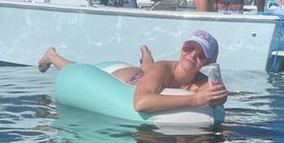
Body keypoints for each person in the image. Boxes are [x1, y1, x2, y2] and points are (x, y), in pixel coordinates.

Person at [38, 30, 228, 113]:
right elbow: (141, 103)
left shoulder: (202, 80)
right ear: (181, 47)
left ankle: (146, 55)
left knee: (148, 70)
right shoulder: (164, 67)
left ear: (208, 62)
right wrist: (194, 100)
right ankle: (53, 56)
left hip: (149, 75)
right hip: (127, 77)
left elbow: (219, 98)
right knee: (82, 70)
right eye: (188, 47)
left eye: (201, 53)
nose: (192, 55)